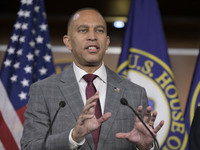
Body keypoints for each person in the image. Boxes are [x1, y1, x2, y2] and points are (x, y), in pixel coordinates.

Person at [21, 8, 164, 150]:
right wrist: (73, 137)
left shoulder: (134, 94)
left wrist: (145, 147)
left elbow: (146, 144)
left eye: (99, 30)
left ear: (107, 42)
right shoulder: (44, 91)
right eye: (83, 30)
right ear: (68, 42)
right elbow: (29, 147)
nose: (92, 36)